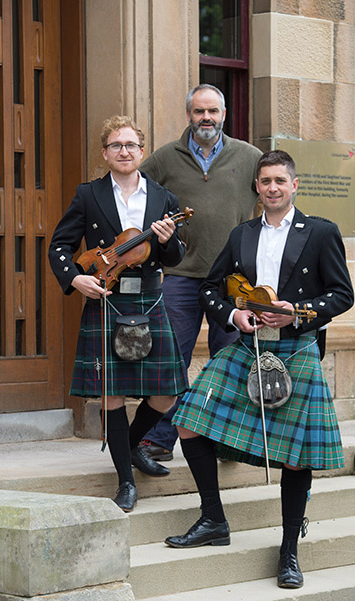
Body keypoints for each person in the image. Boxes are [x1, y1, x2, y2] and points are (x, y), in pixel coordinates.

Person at [165, 150, 354, 589]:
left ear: (294, 185)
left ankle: (289, 549)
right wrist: (234, 316)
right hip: (247, 346)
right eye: (265, 181)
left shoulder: (321, 232)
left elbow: (341, 295)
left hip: (296, 348)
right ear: (257, 186)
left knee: (294, 455)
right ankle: (213, 518)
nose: (272, 188)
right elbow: (211, 289)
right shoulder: (242, 234)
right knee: (188, 420)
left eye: (280, 181)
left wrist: (299, 312)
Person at [48, 115, 188, 513]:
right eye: (116, 146)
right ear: (105, 153)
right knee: (112, 393)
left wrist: (169, 239)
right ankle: (126, 481)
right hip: (106, 298)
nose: (124, 152)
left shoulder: (163, 198)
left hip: (149, 299)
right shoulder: (88, 195)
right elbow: (60, 247)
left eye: (131, 145)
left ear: (142, 151)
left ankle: (128, 448)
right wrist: (76, 280)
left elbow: (177, 255)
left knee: (166, 391)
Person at [139, 84, 263, 460]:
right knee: (170, 356)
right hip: (180, 274)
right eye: (198, 111)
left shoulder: (250, 156)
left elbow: (275, 202)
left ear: (224, 115)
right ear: (189, 115)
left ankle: (225, 437)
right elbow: (133, 194)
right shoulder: (165, 159)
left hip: (233, 280)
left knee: (228, 361)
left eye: (213, 111)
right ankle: (158, 438)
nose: (206, 118)